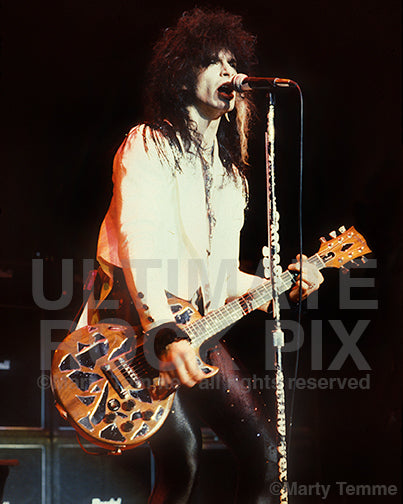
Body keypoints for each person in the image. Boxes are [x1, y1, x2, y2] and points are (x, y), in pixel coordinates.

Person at [88, 7, 323, 503]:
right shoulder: (147, 145)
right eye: (212, 62)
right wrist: (164, 333)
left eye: (231, 62)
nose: (229, 72)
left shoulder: (231, 178)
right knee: (183, 456)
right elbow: (139, 240)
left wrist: (282, 283)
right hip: (137, 324)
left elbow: (218, 278)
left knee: (266, 456)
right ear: (181, 75)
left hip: (196, 329)